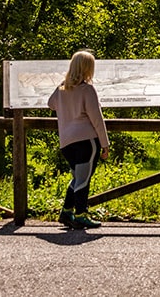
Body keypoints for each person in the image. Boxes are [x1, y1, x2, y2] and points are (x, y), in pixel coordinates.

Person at [48, 50, 109, 229]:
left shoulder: (62, 88)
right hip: (86, 142)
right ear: (88, 69)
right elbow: (97, 119)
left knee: (77, 178)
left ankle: (66, 212)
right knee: (83, 180)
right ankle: (81, 214)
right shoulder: (87, 90)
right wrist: (105, 144)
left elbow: (50, 104)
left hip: (66, 142)